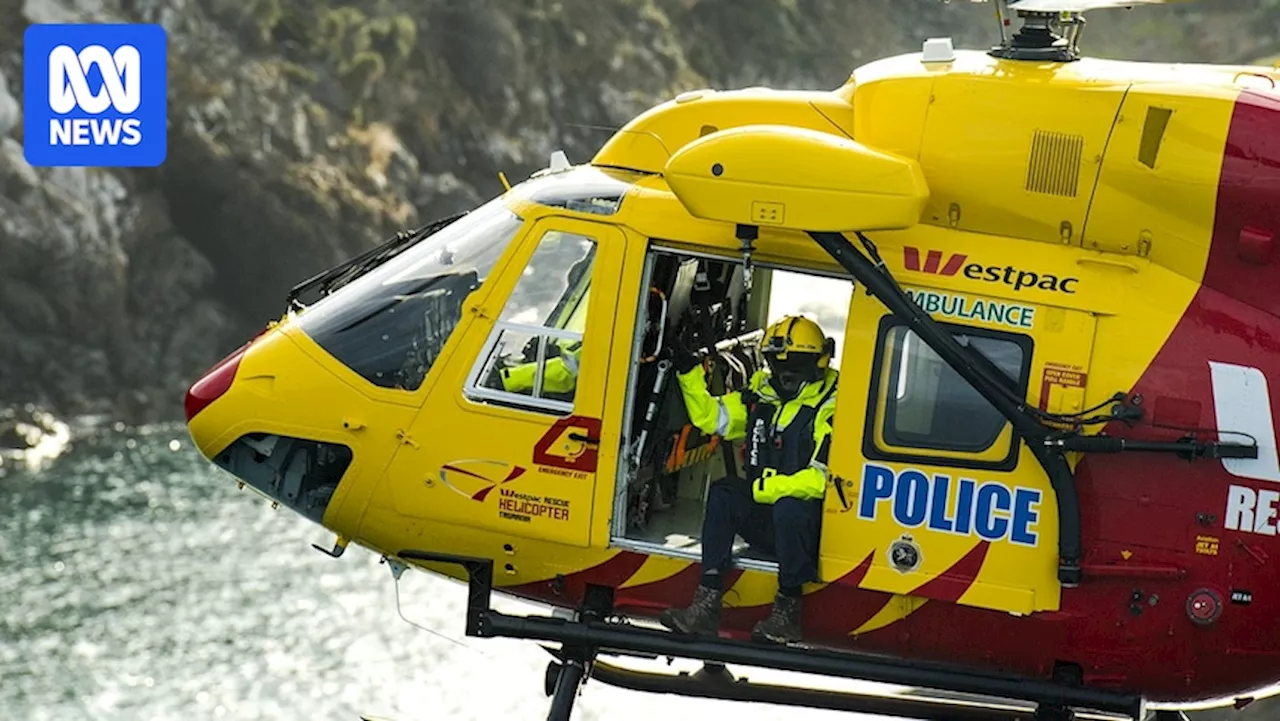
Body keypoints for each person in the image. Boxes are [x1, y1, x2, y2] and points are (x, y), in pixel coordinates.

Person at [660, 314, 838, 644]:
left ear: (820, 362)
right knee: (724, 492)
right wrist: (688, 372)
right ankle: (706, 603)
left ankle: (787, 611)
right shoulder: (760, 394)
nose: (785, 373)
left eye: (796, 365)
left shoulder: (834, 404)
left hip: (809, 531)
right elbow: (713, 418)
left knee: (790, 507)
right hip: (766, 520)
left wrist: (766, 489)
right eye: (777, 364)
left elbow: (822, 480)